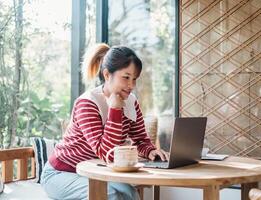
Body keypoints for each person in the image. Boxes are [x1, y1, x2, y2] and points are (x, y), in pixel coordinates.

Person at [41, 43, 169, 200]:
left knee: (131, 194)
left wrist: (150, 151)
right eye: (126, 77)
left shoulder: (130, 102)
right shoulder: (87, 103)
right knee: (111, 195)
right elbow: (105, 154)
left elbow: (140, 139)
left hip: (97, 171)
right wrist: (115, 110)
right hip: (61, 173)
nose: (131, 85)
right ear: (107, 75)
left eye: (134, 79)